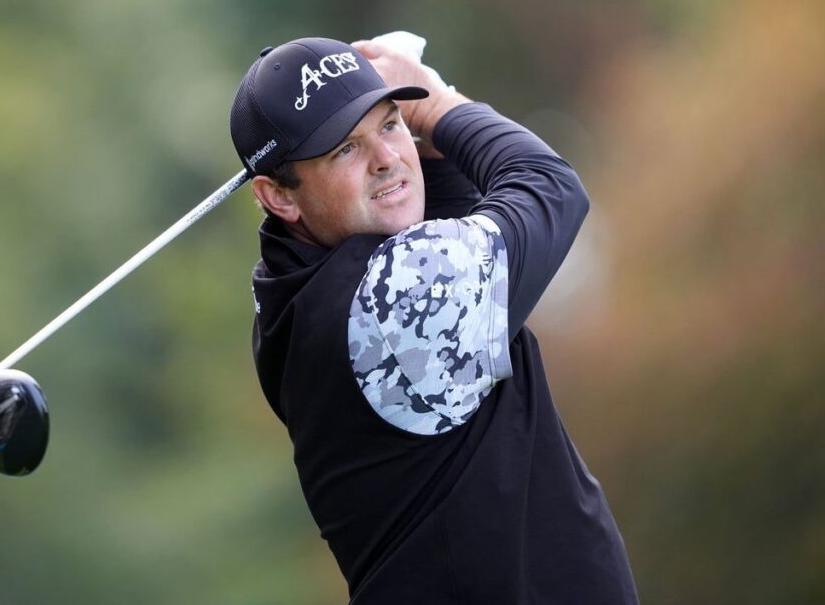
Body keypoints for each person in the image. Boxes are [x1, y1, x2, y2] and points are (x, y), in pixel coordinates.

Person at [229, 35, 638, 604]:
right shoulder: (395, 298)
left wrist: (419, 128)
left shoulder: (292, 295)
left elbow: (438, 212)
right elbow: (551, 187)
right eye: (343, 150)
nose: (386, 158)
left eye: (389, 124)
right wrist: (434, 104)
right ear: (279, 197)